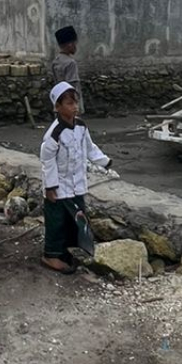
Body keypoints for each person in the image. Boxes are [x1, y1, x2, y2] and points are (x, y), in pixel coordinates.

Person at [39, 81, 110, 274]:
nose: (74, 107)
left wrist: (104, 161)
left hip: (77, 183)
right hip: (59, 185)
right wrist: (50, 186)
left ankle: (67, 248)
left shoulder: (81, 127)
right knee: (57, 220)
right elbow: (47, 160)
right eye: (69, 103)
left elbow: (89, 147)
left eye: (75, 102)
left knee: (76, 217)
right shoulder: (55, 133)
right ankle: (51, 254)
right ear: (57, 107)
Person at [52, 26, 83, 114]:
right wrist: (74, 105)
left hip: (59, 101)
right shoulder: (71, 63)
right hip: (70, 104)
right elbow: (73, 87)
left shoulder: (56, 61)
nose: (75, 47)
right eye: (75, 44)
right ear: (70, 44)